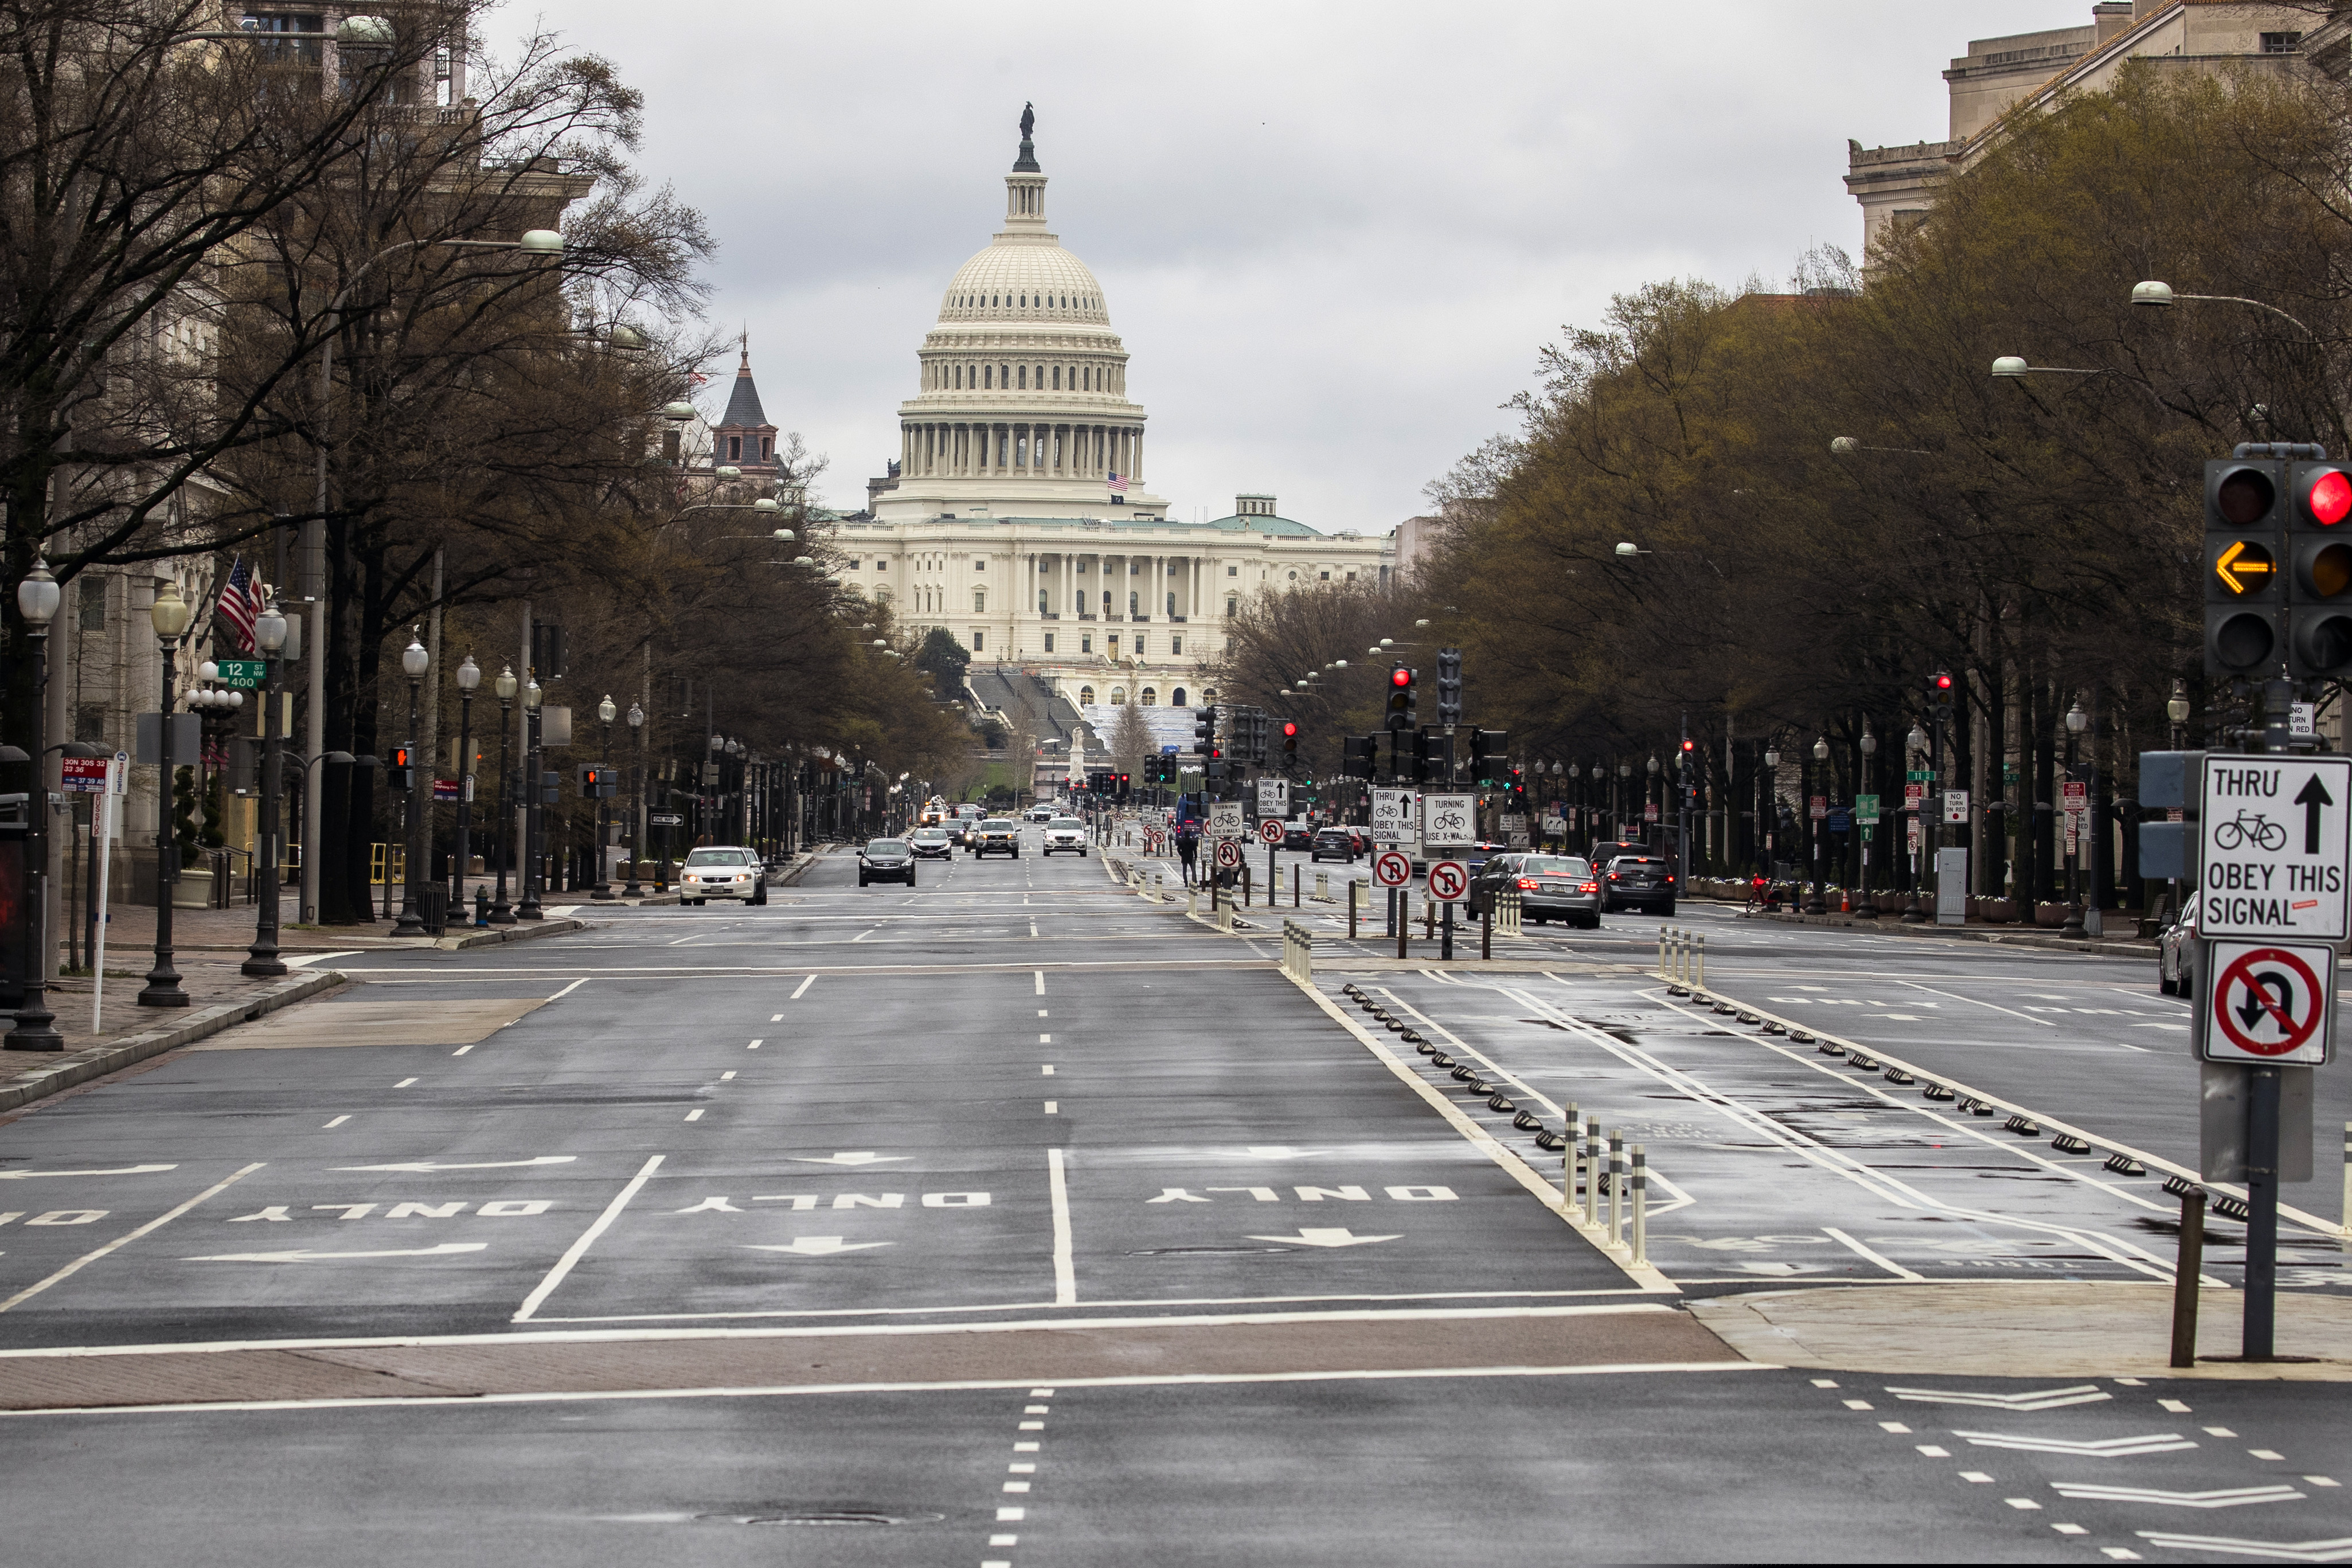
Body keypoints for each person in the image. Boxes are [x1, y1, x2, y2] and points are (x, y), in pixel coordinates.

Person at [1175, 820, 1201, 886]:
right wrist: (1196, 857)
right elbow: (1195, 850)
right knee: (1193, 871)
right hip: (1190, 857)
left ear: (1184, 834)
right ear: (1189, 835)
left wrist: (1181, 854)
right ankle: (1195, 882)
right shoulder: (1192, 842)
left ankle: (1186, 883)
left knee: (1184, 871)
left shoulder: (1182, 842)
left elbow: (1178, 849)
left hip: (1184, 857)